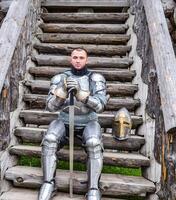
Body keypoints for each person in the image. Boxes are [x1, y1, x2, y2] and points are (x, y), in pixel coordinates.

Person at [38, 48, 108, 200]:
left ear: (86, 60)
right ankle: (48, 183)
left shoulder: (95, 78)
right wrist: (62, 91)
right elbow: (50, 106)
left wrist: (82, 94)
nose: (78, 60)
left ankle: (93, 188)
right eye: (75, 57)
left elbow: (100, 106)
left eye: (81, 57)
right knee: (49, 139)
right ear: (71, 59)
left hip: (88, 121)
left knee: (94, 143)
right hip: (64, 120)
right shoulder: (59, 78)